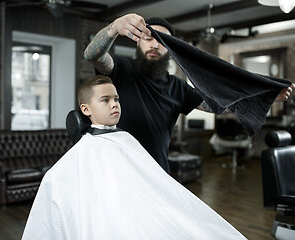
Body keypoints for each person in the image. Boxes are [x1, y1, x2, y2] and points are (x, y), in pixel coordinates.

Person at [22, 75, 246, 239]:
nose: (114, 104)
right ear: (86, 109)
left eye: (116, 99)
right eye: (105, 100)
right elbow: (55, 181)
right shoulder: (86, 149)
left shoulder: (126, 139)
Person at [84, 14, 294, 173]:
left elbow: (218, 105)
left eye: (162, 41)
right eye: (149, 38)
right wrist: (113, 28)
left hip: (156, 171)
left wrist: (263, 96)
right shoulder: (122, 68)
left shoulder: (179, 87)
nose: (155, 45)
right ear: (138, 41)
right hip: (117, 169)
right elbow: (92, 54)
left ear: (171, 50)